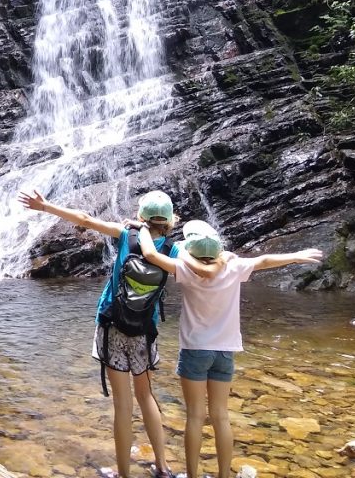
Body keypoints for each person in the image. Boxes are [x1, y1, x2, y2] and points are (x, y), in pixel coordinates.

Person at [19, 189, 207, 478]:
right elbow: (202, 262)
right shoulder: (172, 249)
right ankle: (163, 467)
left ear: (141, 216)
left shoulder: (125, 235)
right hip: (145, 330)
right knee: (146, 396)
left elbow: (84, 219)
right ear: (170, 221)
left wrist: (44, 207)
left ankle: (123, 474)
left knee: (123, 405)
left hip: (112, 325)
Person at [136, 220, 323, 478]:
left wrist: (143, 228)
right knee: (221, 416)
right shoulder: (234, 266)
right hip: (225, 351)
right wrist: (295, 256)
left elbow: (151, 254)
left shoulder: (185, 269)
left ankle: (192, 475)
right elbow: (265, 260)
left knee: (194, 416)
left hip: (195, 350)